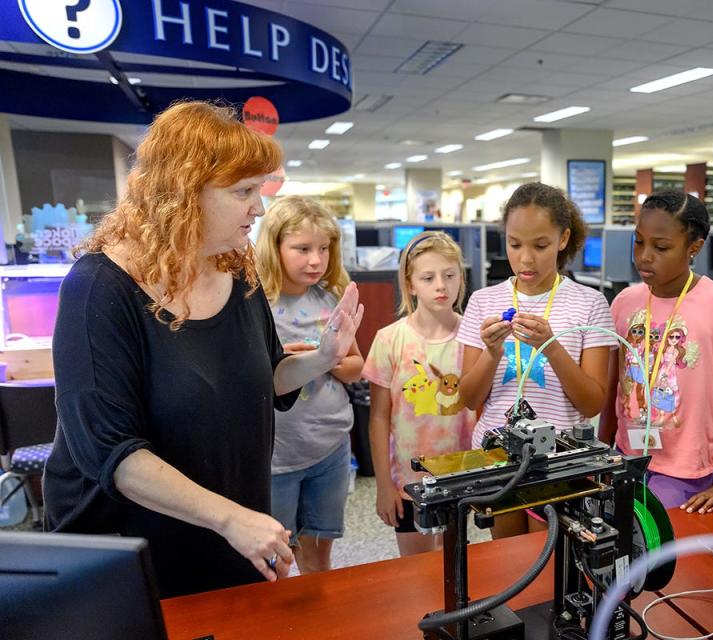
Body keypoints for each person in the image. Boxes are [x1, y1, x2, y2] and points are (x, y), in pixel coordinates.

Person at [42, 101, 363, 598]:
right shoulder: (99, 288)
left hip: (231, 530)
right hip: (135, 553)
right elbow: (114, 452)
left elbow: (270, 374)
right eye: (243, 192)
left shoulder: (238, 271)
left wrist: (322, 359)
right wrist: (230, 518)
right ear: (183, 192)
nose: (259, 208)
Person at [458, 182, 616, 538]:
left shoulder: (590, 304)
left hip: (561, 459)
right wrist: (492, 352)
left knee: (557, 564)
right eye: (514, 245)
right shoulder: (483, 301)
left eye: (540, 245)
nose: (526, 259)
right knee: (510, 563)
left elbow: (592, 401)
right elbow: (468, 398)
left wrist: (552, 346)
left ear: (563, 239)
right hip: (497, 455)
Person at [599, 190, 713, 513]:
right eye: (638, 242)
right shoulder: (625, 303)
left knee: (657, 545)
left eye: (661, 247)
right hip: (628, 456)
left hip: (686, 467)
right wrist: (602, 452)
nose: (644, 256)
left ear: (693, 248)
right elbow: (613, 387)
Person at [254, 196, 363, 573]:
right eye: (302, 249)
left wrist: (327, 358)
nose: (316, 260)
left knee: (318, 557)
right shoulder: (255, 302)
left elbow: (355, 366)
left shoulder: (331, 297)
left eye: (324, 249)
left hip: (329, 446)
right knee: (275, 561)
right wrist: (290, 359)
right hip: (275, 457)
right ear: (275, 247)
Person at [362, 231, 476, 556]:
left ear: (460, 278)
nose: (441, 285)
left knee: (455, 567)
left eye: (449, 275)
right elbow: (379, 419)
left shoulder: (473, 336)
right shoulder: (389, 340)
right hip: (410, 481)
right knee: (415, 570)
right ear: (411, 285)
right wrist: (384, 486)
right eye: (428, 278)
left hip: (460, 477)